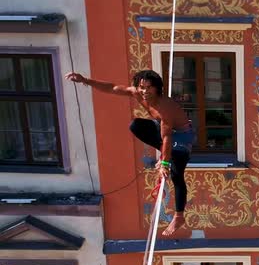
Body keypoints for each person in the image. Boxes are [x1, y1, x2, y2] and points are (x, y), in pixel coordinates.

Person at [65, 70, 193, 236]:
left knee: (176, 175)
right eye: (142, 87)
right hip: (164, 132)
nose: (145, 91)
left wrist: (165, 163)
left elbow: (167, 137)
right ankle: (165, 156)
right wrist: (85, 80)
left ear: (157, 88)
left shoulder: (164, 107)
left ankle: (179, 216)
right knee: (136, 125)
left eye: (149, 88)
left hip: (181, 137)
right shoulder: (137, 93)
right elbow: (112, 88)